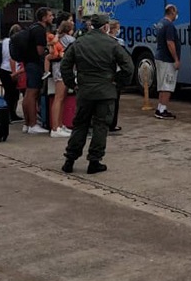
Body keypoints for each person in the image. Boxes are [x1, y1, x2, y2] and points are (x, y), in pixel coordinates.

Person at [60, 14, 134, 175]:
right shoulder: (112, 44)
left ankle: (69, 160)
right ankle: (94, 161)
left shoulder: (79, 42)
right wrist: (118, 82)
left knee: (80, 124)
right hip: (106, 91)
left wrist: (72, 83)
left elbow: (65, 65)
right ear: (105, 27)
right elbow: (129, 67)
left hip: (84, 91)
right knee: (101, 126)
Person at [22, 7, 54, 134]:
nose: (52, 17)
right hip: (35, 64)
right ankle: (33, 124)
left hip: (28, 63)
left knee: (28, 94)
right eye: (50, 15)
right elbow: (40, 51)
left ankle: (27, 123)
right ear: (44, 17)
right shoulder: (40, 31)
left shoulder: (32, 28)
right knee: (33, 93)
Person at [153, 4, 180, 120]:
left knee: (162, 85)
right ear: (172, 12)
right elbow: (170, 43)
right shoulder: (169, 25)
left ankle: (159, 108)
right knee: (167, 85)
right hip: (167, 60)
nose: (177, 15)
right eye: (176, 12)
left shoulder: (161, 23)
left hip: (160, 58)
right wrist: (176, 59)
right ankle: (162, 110)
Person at [48, 21, 72, 138]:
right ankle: (55, 127)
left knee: (61, 98)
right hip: (62, 69)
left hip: (57, 68)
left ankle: (59, 125)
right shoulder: (69, 39)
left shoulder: (58, 38)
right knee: (59, 98)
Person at [0, 24, 24, 122]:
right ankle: (10, 114)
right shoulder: (14, 42)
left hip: (2, 69)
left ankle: (10, 114)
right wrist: (14, 73)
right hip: (11, 69)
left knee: (9, 93)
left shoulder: (4, 41)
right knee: (12, 94)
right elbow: (12, 59)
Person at [108, 18, 125, 133]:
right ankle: (112, 124)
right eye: (118, 28)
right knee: (115, 100)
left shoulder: (103, 40)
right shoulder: (118, 43)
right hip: (115, 74)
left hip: (105, 74)